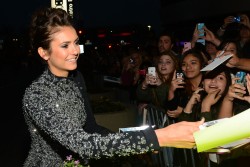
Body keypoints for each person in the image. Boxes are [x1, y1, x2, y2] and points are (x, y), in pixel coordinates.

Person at [22, 7, 204, 166]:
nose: (75, 51)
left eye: (76, 42)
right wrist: (158, 138)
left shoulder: (77, 78)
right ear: (44, 52)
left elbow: (91, 128)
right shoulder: (37, 94)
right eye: (65, 45)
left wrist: (137, 143)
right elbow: (83, 144)